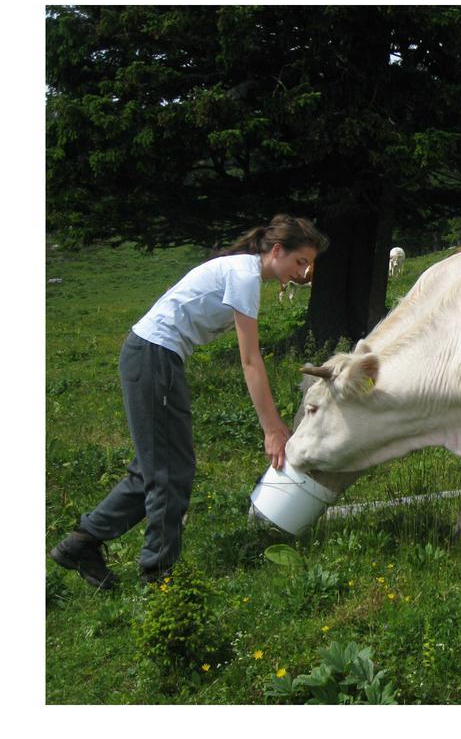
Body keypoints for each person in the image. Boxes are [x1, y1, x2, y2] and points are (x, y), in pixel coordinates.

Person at [49, 214, 329, 590]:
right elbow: (250, 360)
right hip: (153, 356)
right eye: (300, 261)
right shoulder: (245, 277)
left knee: (154, 467)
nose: (304, 271)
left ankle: (81, 544)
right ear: (276, 250)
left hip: (153, 355)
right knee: (170, 472)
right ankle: (160, 576)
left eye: (308, 264)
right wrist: (272, 428)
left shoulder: (243, 271)